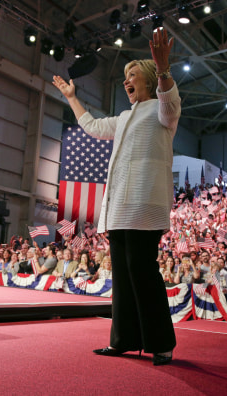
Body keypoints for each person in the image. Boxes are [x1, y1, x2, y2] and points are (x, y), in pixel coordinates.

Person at [53, 27, 179, 365]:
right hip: (118, 208)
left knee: (142, 270)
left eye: (133, 75)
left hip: (145, 206)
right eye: (125, 76)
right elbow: (93, 126)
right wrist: (71, 97)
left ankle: (160, 342)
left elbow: (170, 101)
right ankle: (123, 339)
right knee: (122, 275)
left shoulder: (163, 109)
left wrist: (164, 69)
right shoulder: (124, 117)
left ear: (150, 79)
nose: (127, 81)